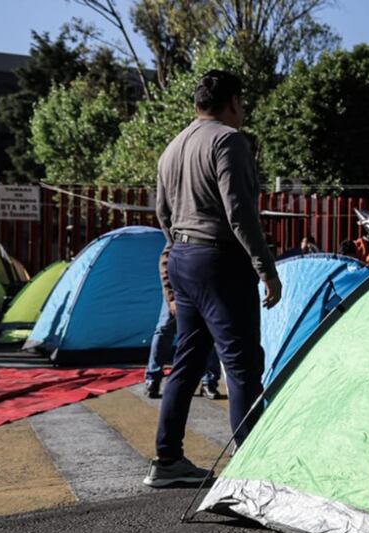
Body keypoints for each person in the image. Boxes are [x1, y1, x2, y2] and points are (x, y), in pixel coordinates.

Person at [145, 69, 282, 488]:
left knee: (187, 361)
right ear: (234, 102)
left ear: (196, 104)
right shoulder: (228, 141)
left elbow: (163, 213)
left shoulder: (172, 148)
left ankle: (167, 459)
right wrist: (266, 269)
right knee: (242, 365)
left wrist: (178, 253)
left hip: (183, 257)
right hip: (220, 260)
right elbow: (240, 213)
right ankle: (251, 469)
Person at [144, 296, 222, 400]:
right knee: (164, 328)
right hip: (178, 290)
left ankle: (209, 382)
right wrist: (171, 299)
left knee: (210, 329)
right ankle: (152, 379)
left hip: (205, 291)